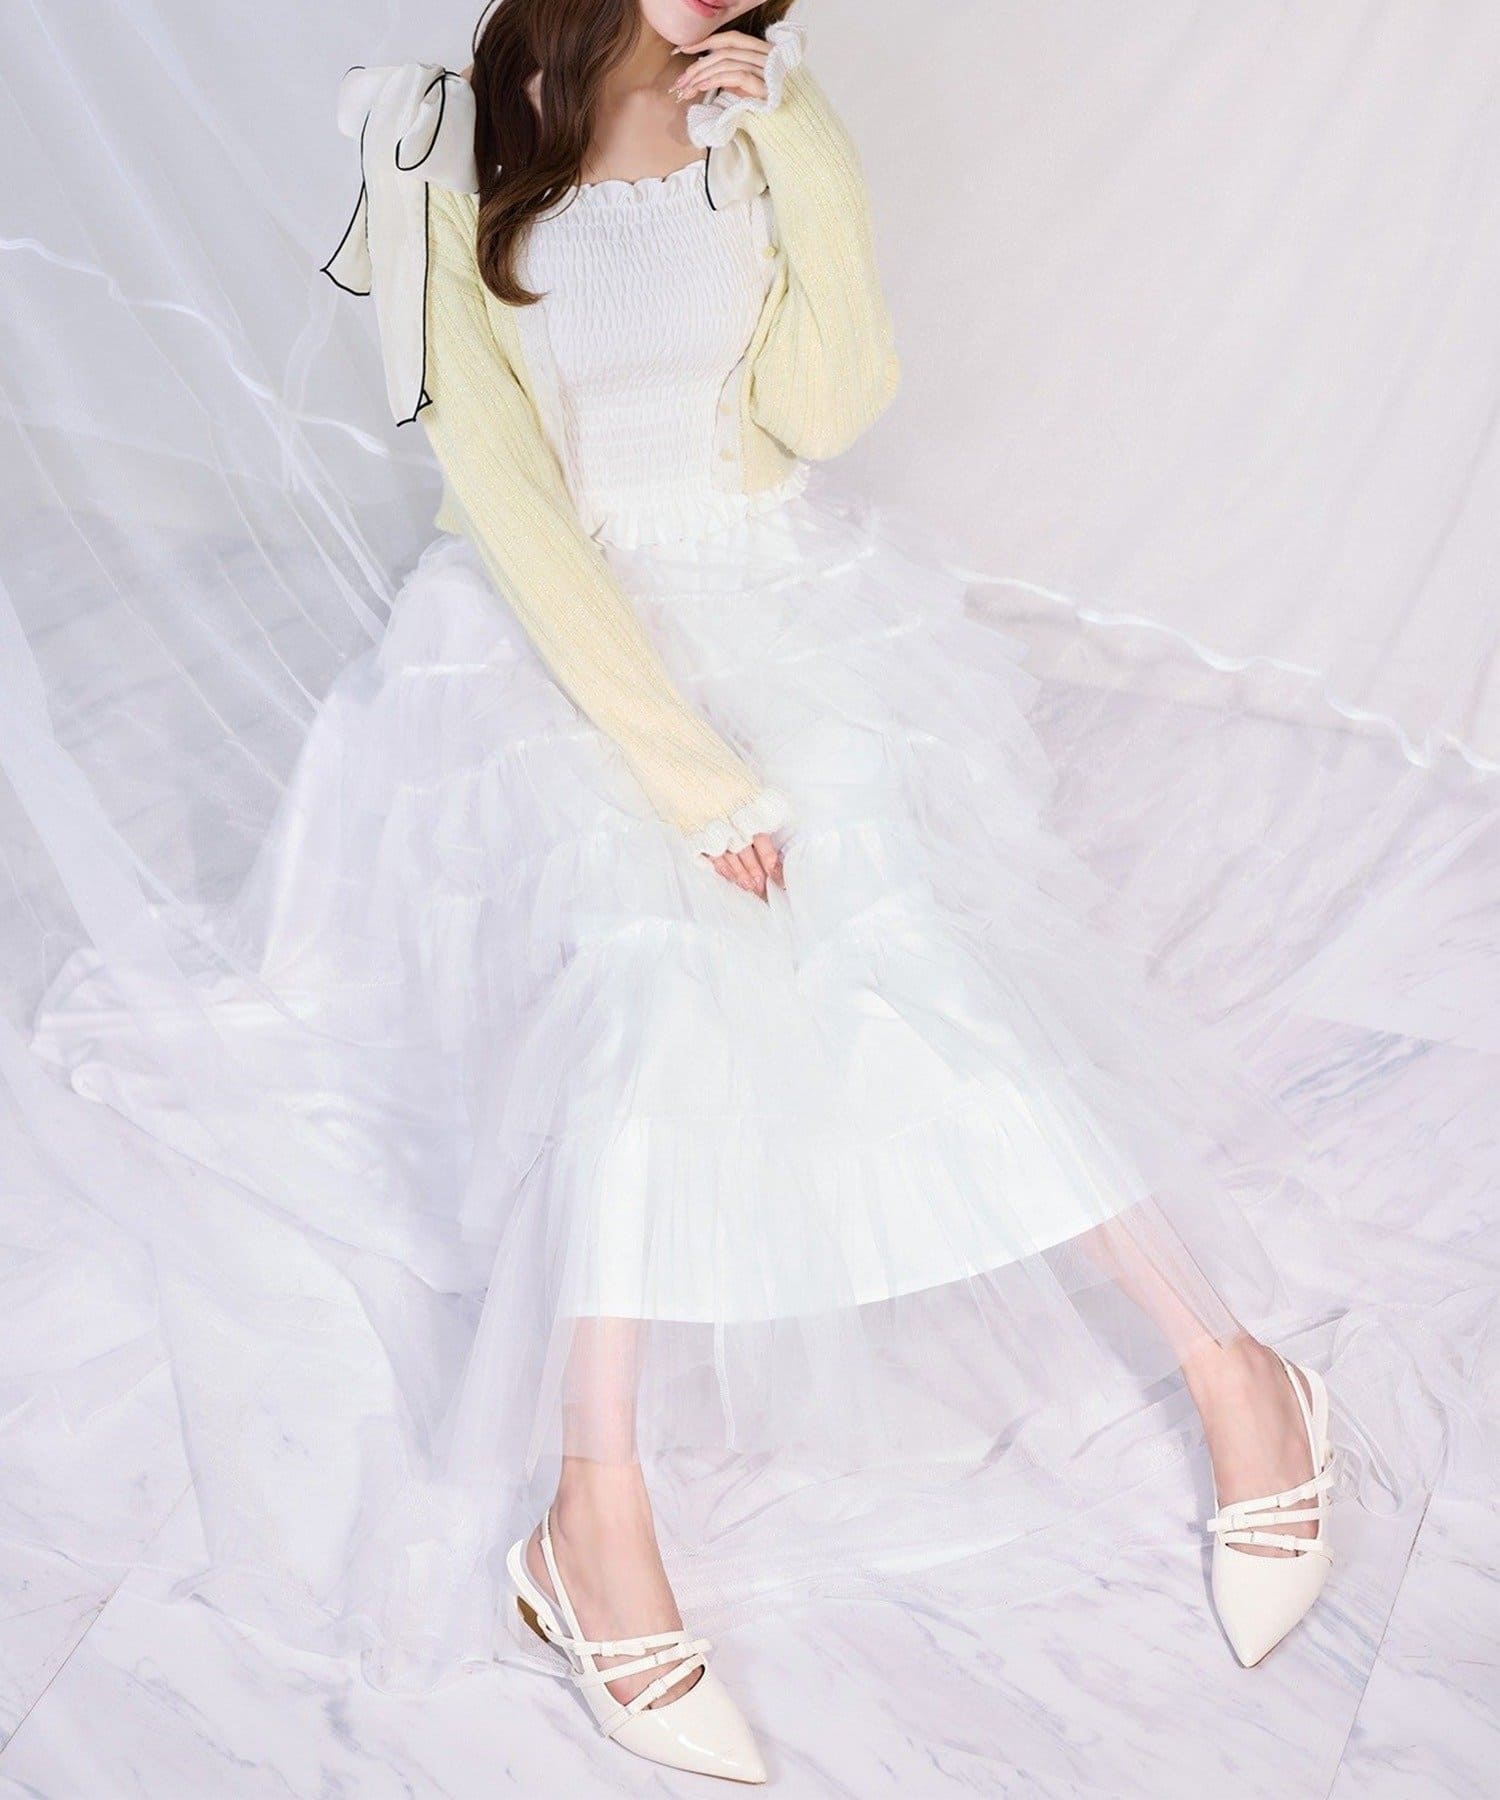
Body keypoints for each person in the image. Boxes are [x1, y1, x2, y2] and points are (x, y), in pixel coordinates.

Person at [32, 0, 1336, 1783]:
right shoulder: (440, 132)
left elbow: (827, 404)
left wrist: (798, 139)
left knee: (923, 965)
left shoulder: (758, 109)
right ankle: (592, 1522)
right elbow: (503, 490)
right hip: (560, 639)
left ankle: (1241, 1373)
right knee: (642, 1005)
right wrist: (687, 773)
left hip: (779, 595)